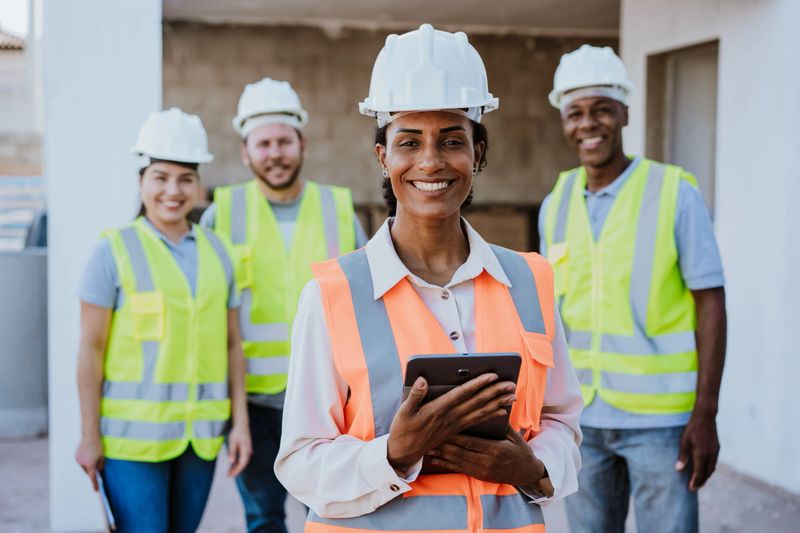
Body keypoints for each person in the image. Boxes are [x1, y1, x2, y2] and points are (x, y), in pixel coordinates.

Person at [275, 24, 582, 532]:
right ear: (384, 156)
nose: (431, 161)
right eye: (409, 142)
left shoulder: (530, 281)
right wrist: (394, 454)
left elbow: (563, 423)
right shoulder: (333, 294)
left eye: (452, 140)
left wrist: (531, 468)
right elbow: (299, 461)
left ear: (478, 153)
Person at [540, 45, 727, 533]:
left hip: (661, 422)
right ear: (564, 120)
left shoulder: (674, 192)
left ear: (623, 112)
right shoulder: (555, 202)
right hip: (583, 420)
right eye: (575, 113)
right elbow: (548, 316)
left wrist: (705, 414)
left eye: (601, 109)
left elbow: (711, 303)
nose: (588, 124)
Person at [200, 77, 367, 533]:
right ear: (245, 152)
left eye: (283, 141)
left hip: (330, 397)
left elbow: (368, 300)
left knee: (333, 515)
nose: (275, 153)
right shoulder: (222, 213)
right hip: (253, 402)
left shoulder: (338, 208)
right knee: (264, 518)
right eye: (263, 143)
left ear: (302, 144)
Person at [75, 108, 252, 533]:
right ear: (141, 182)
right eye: (160, 177)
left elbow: (232, 344)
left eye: (185, 178)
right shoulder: (112, 251)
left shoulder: (219, 252)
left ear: (199, 185)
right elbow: (90, 350)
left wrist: (240, 425)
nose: (172, 190)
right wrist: (88, 436)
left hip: (201, 439)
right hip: (130, 446)